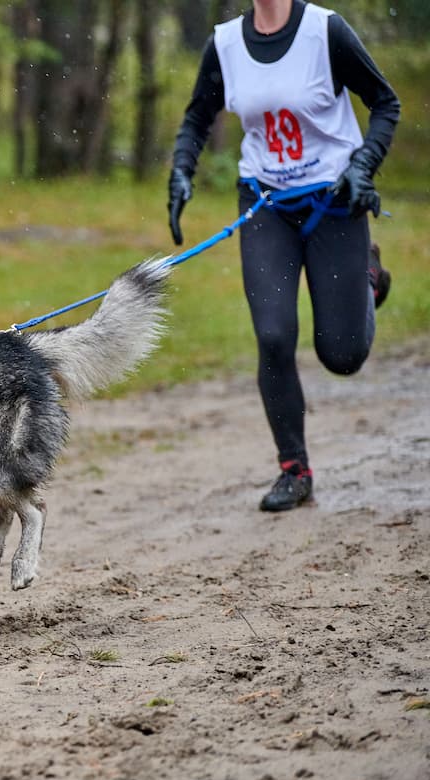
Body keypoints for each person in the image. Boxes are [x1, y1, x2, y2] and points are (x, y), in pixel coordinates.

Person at [168, 0, 400, 512]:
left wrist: (364, 165)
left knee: (341, 356)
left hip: (336, 202)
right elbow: (197, 118)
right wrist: (182, 170)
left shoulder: (326, 32)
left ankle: (368, 273)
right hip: (266, 204)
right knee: (273, 336)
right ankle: (294, 470)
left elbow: (386, 104)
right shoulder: (225, 44)